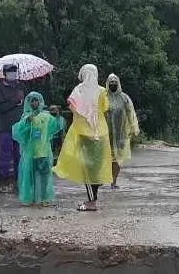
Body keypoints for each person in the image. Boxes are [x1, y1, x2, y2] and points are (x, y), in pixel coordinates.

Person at [54, 64, 112, 211]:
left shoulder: (78, 89)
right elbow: (105, 108)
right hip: (100, 133)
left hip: (84, 133)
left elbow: (72, 107)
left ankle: (91, 201)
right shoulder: (102, 91)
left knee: (87, 169)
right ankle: (93, 196)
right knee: (97, 168)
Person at [13, 91, 63, 206]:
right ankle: (32, 197)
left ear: (40, 102)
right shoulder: (25, 117)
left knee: (44, 176)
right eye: (32, 101)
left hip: (43, 151)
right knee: (30, 176)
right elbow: (18, 132)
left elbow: (57, 125)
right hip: (29, 154)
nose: (34, 103)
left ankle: (44, 198)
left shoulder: (46, 116)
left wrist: (57, 114)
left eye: (36, 100)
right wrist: (26, 122)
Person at [103, 73, 140, 189]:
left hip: (120, 133)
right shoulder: (103, 97)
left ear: (118, 83)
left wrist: (134, 128)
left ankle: (114, 181)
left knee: (118, 157)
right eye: (111, 82)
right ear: (107, 84)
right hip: (106, 133)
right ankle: (106, 178)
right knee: (106, 157)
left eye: (115, 82)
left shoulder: (124, 98)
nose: (113, 84)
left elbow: (130, 113)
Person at [0, 64, 26, 179]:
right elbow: (1, 107)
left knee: (20, 155)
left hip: (20, 127)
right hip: (6, 127)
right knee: (5, 155)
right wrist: (14, 102)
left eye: (14, 71)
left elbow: (24, 105)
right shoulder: (0, 88)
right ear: (5, 73)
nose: (12, 73)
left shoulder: (20, 86)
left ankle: (19, 179)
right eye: (10, 71)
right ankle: (3, 180)